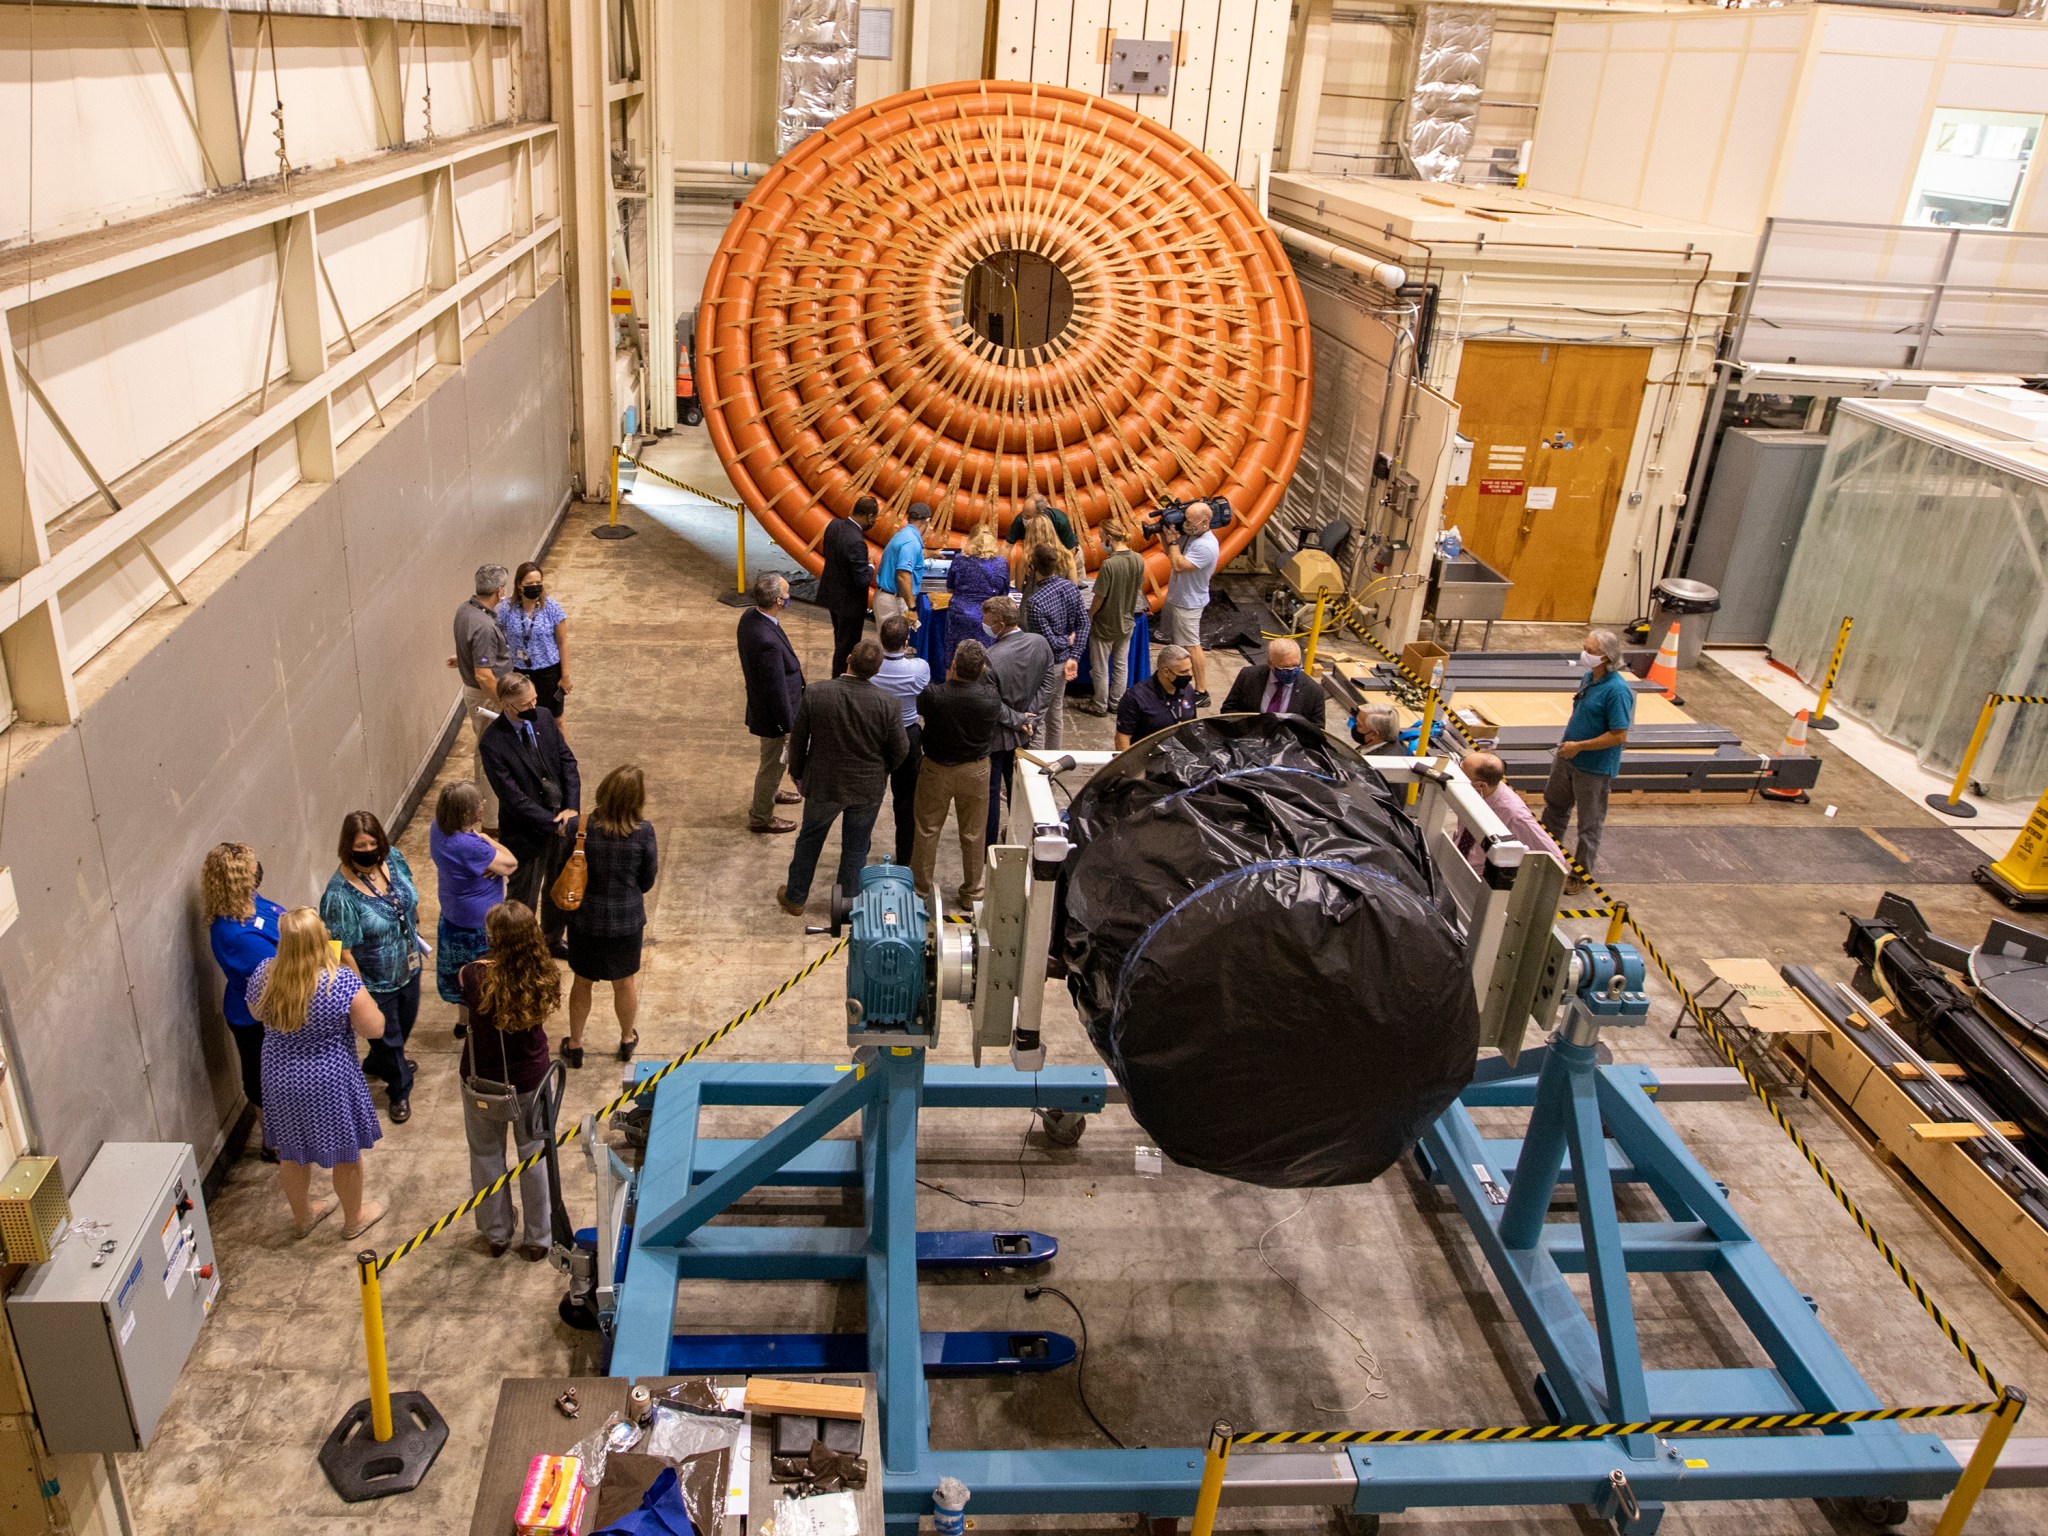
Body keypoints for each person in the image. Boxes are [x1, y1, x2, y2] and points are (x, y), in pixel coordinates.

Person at [249, 907, 386, 1239]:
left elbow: (255, 1012)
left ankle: (303, 1216)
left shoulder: (265, 972)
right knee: (345, 1152)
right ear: (320, 938)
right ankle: (354, 1219)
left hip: (280, 1076)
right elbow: (375, 1029)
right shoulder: (338, 980)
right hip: (330, 1079)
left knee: (292, 1152)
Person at [458, 900, 560, 1259]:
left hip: (482, 1078)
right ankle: (539, 1238)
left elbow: (464, 1018)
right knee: (534, 1153)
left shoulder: (472, 974)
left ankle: (496, 1233)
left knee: (486, 1154)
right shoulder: (545, 972)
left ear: (494, 938)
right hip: (531, 1077)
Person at [778, 638, 908, 915]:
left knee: (810, 840)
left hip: (824, 784)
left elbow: (799, 740)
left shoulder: (816, 693)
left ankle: (796, 897)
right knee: (856, 848)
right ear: (877, 670)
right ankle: (845, 908)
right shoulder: (888, 703)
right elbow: (901, 750)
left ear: (848, 658)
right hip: (867, 788)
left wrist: (798, 773)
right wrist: (881, 770)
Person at [321, 811, 422, 1123]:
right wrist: (360, 990)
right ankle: (399, 1088)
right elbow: (342, 950)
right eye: (360, 845)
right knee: (389, 1037)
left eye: (372, 842)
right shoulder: (339, 894)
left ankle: (380, 1061)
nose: (367, 850)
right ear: (348, 847)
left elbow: (409, 895)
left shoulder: (393, 859)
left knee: (403, 1026)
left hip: (408, 964)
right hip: (374, 981)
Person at [564, 765, 659, 1066]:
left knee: (582, 981)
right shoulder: (644, 833)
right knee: (624, 982)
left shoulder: (579, 828)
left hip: (585, 921)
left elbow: (563, 871)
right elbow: (647, 881)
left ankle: (576, 1044)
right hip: (626, 922)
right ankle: (627, 1039)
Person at [480, 671, 582, 950]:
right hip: (526, 833)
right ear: (507, 706)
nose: (533, 708)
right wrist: (553, 822)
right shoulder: (493, 744)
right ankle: (520, 950)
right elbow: (513, 799)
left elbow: (567, 763)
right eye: (525, 705)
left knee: (557, 887)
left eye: (534, 700)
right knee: (523, 898)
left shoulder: (545, 718)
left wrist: (571, 809)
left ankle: (551, 939)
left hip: (562, 819)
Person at [202, 842, 283, 1160]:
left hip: (272, 1006)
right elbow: (276, 975)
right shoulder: (234, 936)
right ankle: (273, 1143)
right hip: (256, 1017)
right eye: (252, 869)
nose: (258, 871)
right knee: (261, 1078)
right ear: (238, 881)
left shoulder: (254, 903)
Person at [1541, 628, 1634, 888]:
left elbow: (1619, 734)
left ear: (1606, 657)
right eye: (1585, 648)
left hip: (1593, 768)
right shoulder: (1589, 678)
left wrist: (1580, 746)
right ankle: (1546, 858)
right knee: (1554, 809)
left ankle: (1580, 875)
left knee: (1588, 825)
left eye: (1591, 652)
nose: (1585, 654)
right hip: (1567, 758)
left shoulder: (1617, 691)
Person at [912, 640, 1001, 905]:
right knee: (973, 834)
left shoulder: (933, 695)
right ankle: (973, 892)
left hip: (936, 769)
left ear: (953, 664)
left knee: (927, 830)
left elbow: (920, 710)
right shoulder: (991, 699)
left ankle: (919, 890)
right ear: (982, 668)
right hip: (975, 771)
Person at [429, 781, 517, 1039]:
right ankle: (483, 1026)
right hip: (479, 926)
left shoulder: (438, 829)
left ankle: (463, 1022)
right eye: (478, 804)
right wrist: (489, 840)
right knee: (483, 978)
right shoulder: (470, 845)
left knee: (461, 975)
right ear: (466, 813)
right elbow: (511, 864)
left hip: (452, 917)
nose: (483, 807)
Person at [981, 595, 1056, 846]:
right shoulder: (1041, 643)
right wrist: (1031, 719)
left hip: (997, 736)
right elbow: (1048, 684)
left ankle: (989, 847)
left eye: (987, 621)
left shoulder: (991, 658)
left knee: (991, 794)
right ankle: (1022, 842)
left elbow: (992, 704)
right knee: (1020, 792)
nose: (984, 624)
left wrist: (1018, 719)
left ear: (999, 624)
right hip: (1025, 733)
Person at [738, 572, 806, 835]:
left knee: (772, 763)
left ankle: (773, 793)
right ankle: (761, 817)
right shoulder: (766, 642)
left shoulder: (751, 618)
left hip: (768, 709)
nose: (789, 597)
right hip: (775, 717)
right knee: (771, 765)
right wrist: (788, 728)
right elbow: (775, 689)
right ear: (778, 600)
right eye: (787, 594)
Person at [449, 563, 510, 827]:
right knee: (492, 755)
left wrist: (462, 658)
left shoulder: (465, 609)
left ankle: (486, 807)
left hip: (476, 692)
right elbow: (485, 676)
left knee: (483, 750)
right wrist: (505, 704)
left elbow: (471, 649)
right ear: (500, 591)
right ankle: (493, 821)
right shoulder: (484, 625)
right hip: (486, 697)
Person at [873, 615, 931, 866]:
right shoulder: (919, 668)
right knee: (906, 800)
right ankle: (905, 855)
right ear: (906, 641)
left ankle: (860, 844)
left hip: (874, 736)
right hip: (907, 734)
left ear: (881, 640)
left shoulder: (871, 669)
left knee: (868, 798)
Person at [1458, 751, 1567, 876]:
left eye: (1461, 773)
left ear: (1481, 785)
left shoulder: (1515, 815)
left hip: (1479, 877)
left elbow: (1555, 860)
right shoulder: (1475, 793)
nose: (1456, 776)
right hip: (1459, 862)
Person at [1021, 542, 1084, 748]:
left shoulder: (1035, 602)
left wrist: (1066, 642)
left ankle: (1037, 763)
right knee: (1055, 712)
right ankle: (1054, 755)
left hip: (1045, 666)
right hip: (1064, 661)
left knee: (1036, 716)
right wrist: (1074, 655)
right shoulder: (1070, 588)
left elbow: (1046, 641)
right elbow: (1083, 624)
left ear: (1033, 567)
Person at [1158, 502, 1219, 704]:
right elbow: (1171, 554)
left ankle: (1202, 691)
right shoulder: (1193, 537)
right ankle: (1177, 680)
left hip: (1189, 603)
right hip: (1179, 597)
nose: (1186, 523)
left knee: (1192, 645)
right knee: (1179, 644)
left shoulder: (1206, 545)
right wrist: (1162, 532)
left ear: (1205, 522)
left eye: (1190, 521)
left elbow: (1179, 564)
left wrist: (1173, 541)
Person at [1080, 523, 1143, 717]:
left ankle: (1099, 704)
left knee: (1100, 666)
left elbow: (1099, 597)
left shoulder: (1109, 565)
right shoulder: (1138, 559)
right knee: (1121, 664)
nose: (1100, 541)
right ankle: (1117, 702)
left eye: (1100, 537)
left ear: (1109, 537)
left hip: (1105, 624)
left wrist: (1089, 616)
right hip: (1127, 621)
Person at [498, 562, 572, 717]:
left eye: (538, 583)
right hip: (520, 671)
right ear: (519, 585)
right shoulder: (506, 609)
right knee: (523, 716)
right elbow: (493, 635)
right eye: (529, 584)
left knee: (555, 719)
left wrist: (565, 676)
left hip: (548, 672)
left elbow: (563, 642)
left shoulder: (552, 608)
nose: (535, 587)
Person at [817, 495, 879, 676]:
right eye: (874, 518)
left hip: (832, 597)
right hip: (850, 605)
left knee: (839, 639)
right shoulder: (857, 542)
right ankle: (840, 679)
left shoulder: (833, 525)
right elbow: (861, 580)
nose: (873, 522)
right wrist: (870, 565)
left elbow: (829, 553)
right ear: (869, 516)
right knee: (847, 648)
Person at [945, 522, 1011, 674]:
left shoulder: (960, 560)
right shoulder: (1001, 563)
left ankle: (950, 692)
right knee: (984, 658)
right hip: (988, 617)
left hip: (960, 614)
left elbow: (950, 587)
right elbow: (1004, 593)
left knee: (954, 656)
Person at [1220, 637, 1327, 729]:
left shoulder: (1314, 691)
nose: (1291, 670)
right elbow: (1228, 711)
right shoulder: (1248, 676)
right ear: (1270, 663)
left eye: (1296, 665)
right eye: (1284, 667)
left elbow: (1317, 729)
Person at [1114, 643, 1197, 750]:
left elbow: (1193, 726)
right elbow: (1122, 739)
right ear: (1166, 672)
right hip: (1147, 758)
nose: (1190, 675)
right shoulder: (1135, 698)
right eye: (1183, 671)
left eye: (1190, 669)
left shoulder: (1188, 690)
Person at [874, 502, 930, 632]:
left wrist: (932, 553)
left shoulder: (903, 535)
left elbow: (910, 557)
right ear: (927, 521)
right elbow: (903, 575)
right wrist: (912, 608)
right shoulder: (912, 542)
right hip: (893, 600)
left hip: (889, 597)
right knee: (893, 646)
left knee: (891, 645)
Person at [1006, 494, 1079, 552]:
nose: (1024, 518)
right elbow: (1006, 546)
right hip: (1042, 561)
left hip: (1067, 556)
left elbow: (1071, 552)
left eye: (1028, 516)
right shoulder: (1020, 520)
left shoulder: (1060, 521)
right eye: (1023, 513)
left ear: (1041, 515)